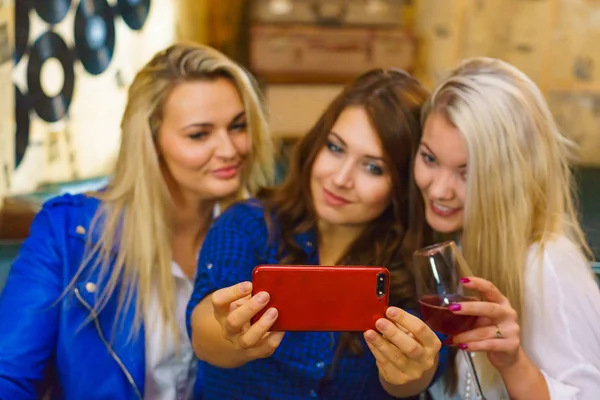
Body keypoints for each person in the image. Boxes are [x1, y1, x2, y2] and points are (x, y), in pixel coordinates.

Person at [0, 43, 274, 399]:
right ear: (150, 141)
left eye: (238, 126)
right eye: (199, 134)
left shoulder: (266, 234)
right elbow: (10, 376)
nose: (229, 149)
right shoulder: (67, 231)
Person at [186, 68, 447, 399]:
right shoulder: (247, 224)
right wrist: (230, 332)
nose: (340, 178)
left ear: (406, 184)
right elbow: (203, 333)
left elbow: (417, 378)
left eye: (373, 168)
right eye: (336, 148)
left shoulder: (417, 261)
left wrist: (410, 371)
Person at [414, 57, 600, 400]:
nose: (439, 189)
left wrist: (514, 364)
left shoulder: (548, 265)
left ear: (510, 177)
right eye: (429, 158)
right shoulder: (460, 245)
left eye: (467, 173)